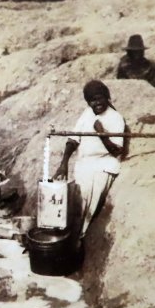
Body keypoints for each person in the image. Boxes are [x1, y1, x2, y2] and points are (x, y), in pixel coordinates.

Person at [53, 80, 125, 239]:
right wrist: (63, 163)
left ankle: (76, 241)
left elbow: (117, 151)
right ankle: (66, 238)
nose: (97, 103)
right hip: (83, 165)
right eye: (92, 100)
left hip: (102, 166)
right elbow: (73, 139)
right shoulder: (87, 113)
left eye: (100, 98)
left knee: (85, 207)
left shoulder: (115, 118)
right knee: (72, 202)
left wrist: (102, 134)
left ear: (107, 97)